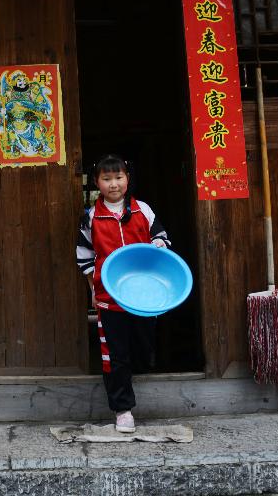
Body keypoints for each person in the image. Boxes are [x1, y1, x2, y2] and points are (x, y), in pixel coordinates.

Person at [76, 154, 171, 433]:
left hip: (145, 294)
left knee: (143, 346)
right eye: (107, 178)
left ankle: (141, 373)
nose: (113, 184)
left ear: (128, 180)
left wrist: (158, 244)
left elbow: (162, 238)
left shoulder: (143, 209)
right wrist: (93, 291)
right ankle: (123, 410)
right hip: (109, 296)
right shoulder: (90, 218)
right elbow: (84, 259)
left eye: (118, 177)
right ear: (97, 182)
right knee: (114, 354)